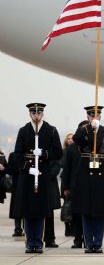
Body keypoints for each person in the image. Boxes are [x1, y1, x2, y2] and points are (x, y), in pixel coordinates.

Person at [12, 103, 62, 254]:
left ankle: (38, 242)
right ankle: (30, 242)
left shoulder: (51, 130)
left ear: (43, 114)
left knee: (40, 211)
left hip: (43, 175)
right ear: (30, 114)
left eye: (39, 113)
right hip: (28, 176)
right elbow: (17, 155)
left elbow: (58, 152)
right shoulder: (23, 130)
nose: (36, 116)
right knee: (28, 210)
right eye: (33, 113)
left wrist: (44, 154)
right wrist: (28, 167)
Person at [71, 105, 104, 254]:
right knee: (86, 210)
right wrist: (89, 128)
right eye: (91, 116)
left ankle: (98, 243)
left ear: (100, 116)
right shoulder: (82, 130)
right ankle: (89, 243)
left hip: (102, 174)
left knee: (100, 211)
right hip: (85, 174)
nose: (93, 118)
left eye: (96, 116)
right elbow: (76, 140)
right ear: (87, 116)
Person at [61, 122, 86, 248]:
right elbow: (66, 169)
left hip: (89, 186)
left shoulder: (92, 146)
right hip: (74, 186)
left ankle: (88, 239)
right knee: (76, 214)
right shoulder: (72, 148)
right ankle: (77, 239)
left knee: (88, 214)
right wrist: (65, 187)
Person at [44, 155, 61, 248]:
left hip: (48, 184)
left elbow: (56, 167)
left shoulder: (51, 152)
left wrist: (45, 175)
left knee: (49, 215)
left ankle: (49, 239)